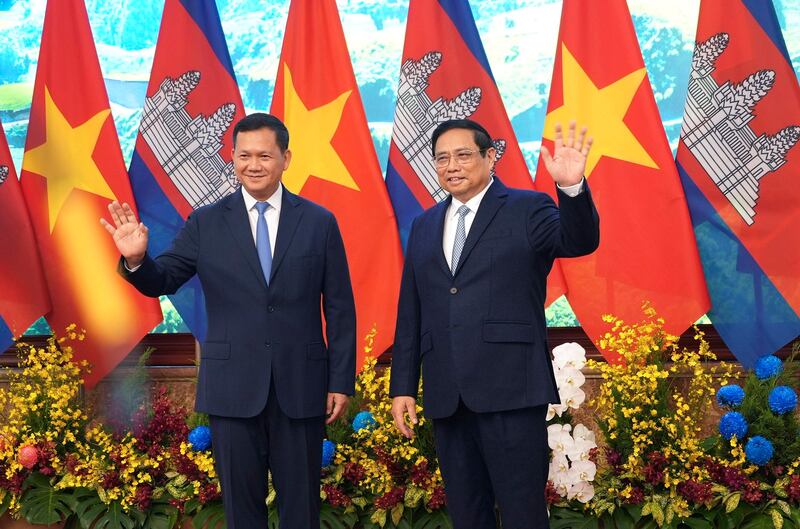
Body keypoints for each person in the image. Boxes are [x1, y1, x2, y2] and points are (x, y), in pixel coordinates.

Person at [101, 113, 356, 529]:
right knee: (241, 511)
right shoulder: (206, 222)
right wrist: (137, 260)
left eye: (264, 156)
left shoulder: (318, 222)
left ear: (286, 159)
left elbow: (341, 309)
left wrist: (340, 381)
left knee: (302, 510)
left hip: (301, 386)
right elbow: (164, 278)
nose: (253, 165)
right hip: (232, 389)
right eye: (243, 156)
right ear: (232, 158)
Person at [389, 118, 599, 528]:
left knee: (523, 512)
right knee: (467, 513)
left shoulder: (527, 207)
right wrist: (403, 386)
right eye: (442, 158)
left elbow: (579, 241)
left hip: (511, 390)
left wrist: (571, 188)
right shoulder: (424, 225)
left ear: (490, 157)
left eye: (463, 155)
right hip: (448, 394)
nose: (452, 166)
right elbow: (412, 308)